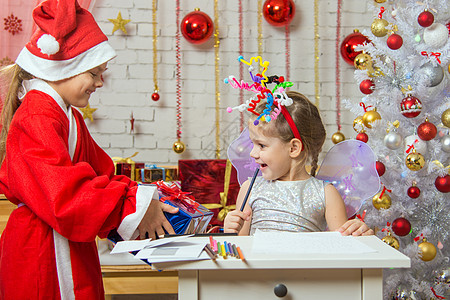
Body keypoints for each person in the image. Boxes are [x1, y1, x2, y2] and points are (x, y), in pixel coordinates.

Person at [0, 1, 178, 299]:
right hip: (43, 249)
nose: (99, 82)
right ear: (62, 69)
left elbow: (102, 174)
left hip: (66, 242)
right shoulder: (37, 115)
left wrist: (143, 198)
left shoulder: (66, 115)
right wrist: (131, 206)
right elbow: (62, 195)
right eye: (94, 73)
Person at [224, 90, 374, 236]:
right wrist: (232, 230)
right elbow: (241, 246)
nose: (253, 153)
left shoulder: (326, 193)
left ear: (293, 148)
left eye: (261, 145)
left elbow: (343, 249)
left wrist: (356, 234)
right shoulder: (250, 189)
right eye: (253, 144)